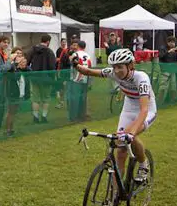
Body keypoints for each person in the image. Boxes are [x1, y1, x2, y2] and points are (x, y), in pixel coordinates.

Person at [74, 48, 155, 184]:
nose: (116, 71)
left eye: (120, 67)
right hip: (129, 109)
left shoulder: (141, 78)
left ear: (130, 66)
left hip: (146, 110)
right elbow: (87, 72)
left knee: (129, 134)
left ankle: (143, 164)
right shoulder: (113, 73)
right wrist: (75, 64)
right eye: (114, 67)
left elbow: (144, 109)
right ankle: (115, 193)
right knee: (120, 151)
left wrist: (131, 133)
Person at [27, 34, 56, 124]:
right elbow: (52, 66)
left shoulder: (32, 50)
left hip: (34, 77)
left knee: (35, 98)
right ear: (48, 42)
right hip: (46, 78)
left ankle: (35, 117)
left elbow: (27, 62)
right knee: (46, 98)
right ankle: (44, 116)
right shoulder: (50, 52)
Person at [4, 48, 29, 137]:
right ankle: (8, 130)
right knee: (11, 111)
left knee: (14, 112)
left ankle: (11, 128)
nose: (19, 55)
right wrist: (16, 65)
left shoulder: (21, 66)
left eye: (20, 53)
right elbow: (13, 76)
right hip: (12, 92)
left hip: (19, 92)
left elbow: (29, 70)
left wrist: (23, 65)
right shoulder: (11, 66)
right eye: (17, 53)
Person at [66, 40, 93, 123]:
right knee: (83, 98)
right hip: (85, 79)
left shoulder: (76, 54)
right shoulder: (87, 55)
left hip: (75, 79)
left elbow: (72, 63)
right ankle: (82, 115)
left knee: (74, 98)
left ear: (78, 46)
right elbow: (90, 67)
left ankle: (73, 117)